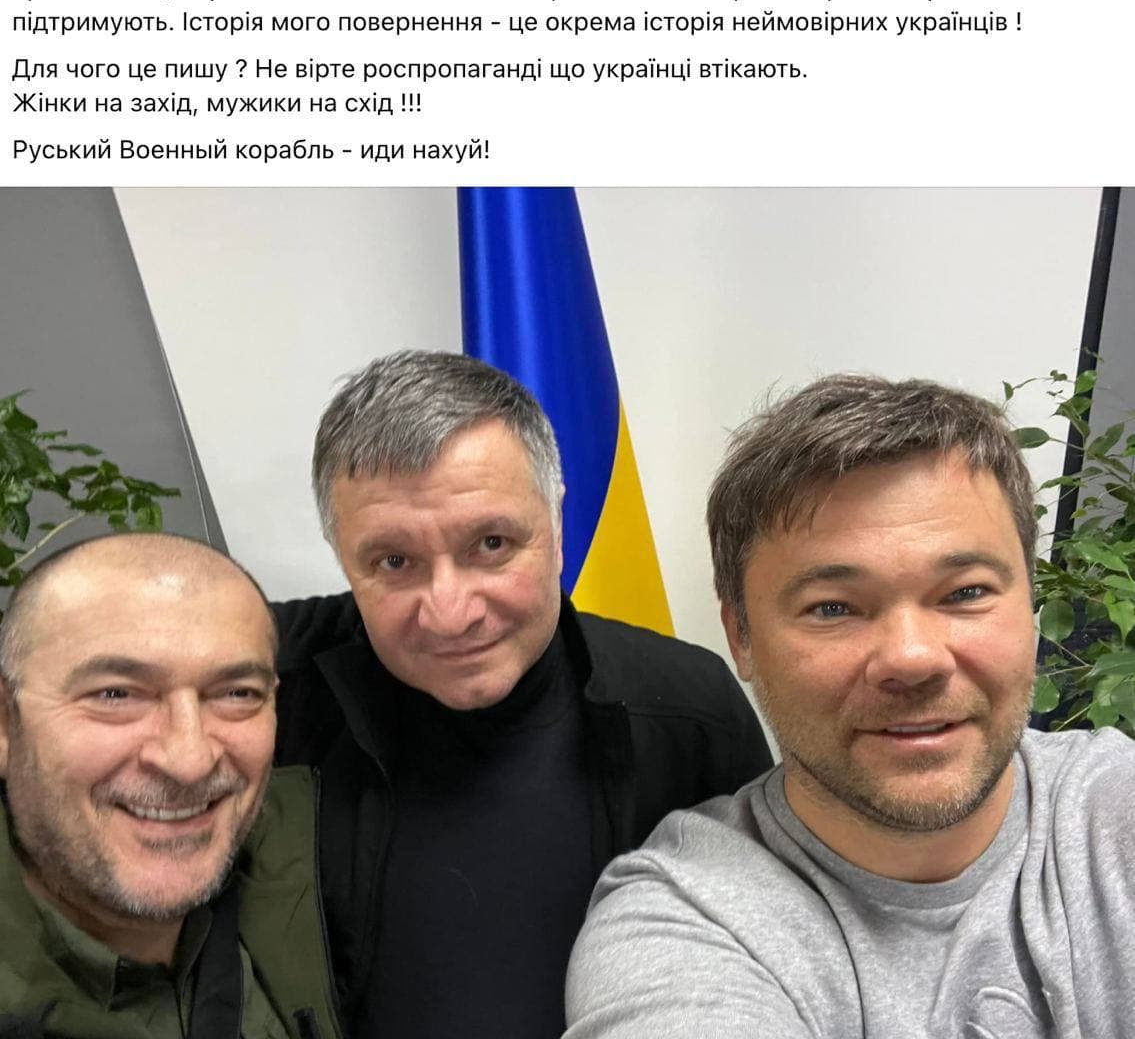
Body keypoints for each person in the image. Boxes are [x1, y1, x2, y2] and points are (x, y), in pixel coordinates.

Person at [565, 375, 1135, 1039]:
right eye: (832, 608)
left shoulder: (1113, 809)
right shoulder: (683, 924)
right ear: (740, 637)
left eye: (965, 593)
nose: (912, 658)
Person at [272, 349, 773, 1039]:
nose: (450, 613)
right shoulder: (260, 692)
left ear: (557, 522)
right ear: (342, 556)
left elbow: (764, 948)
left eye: (491, 543)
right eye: (394, 561)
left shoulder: (687, 708)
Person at [0, 533, 342, 1039]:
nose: (189, 761)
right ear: (6, 721)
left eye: (236, 693)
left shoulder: (325, 855)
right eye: (115, 694)